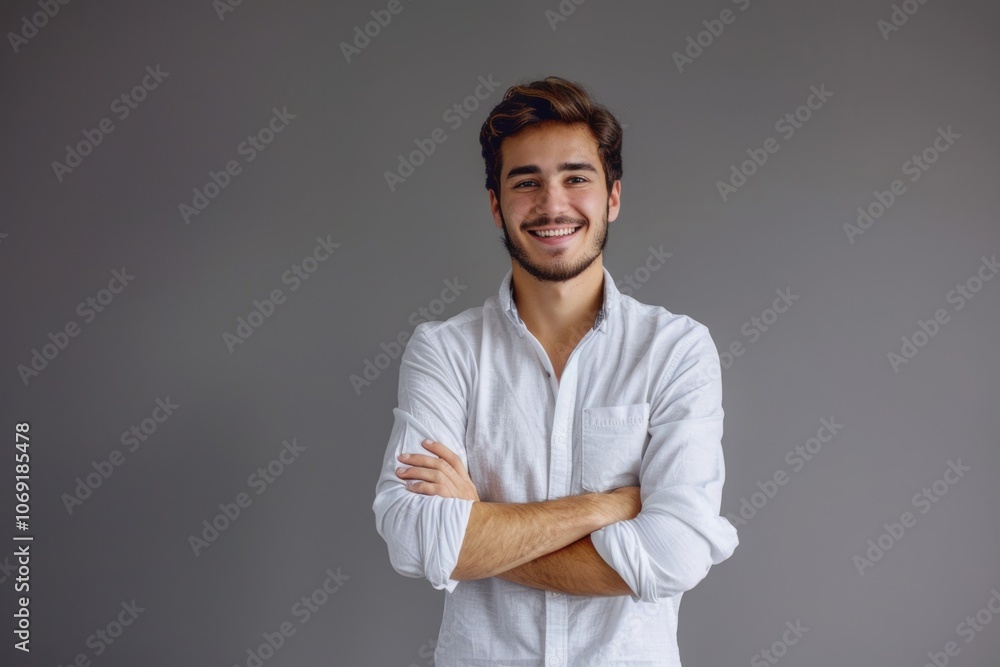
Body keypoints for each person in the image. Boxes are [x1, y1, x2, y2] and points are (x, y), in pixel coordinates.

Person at [372, 75, 738, 666]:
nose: (552, 205)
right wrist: (607, 506)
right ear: (496, 204)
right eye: (526, 182)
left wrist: (477, 531)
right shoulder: (444, 352)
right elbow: (416, 537)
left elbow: (676, 553)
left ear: (612, 197)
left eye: (576, 178)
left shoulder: (676, 350)